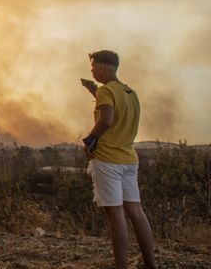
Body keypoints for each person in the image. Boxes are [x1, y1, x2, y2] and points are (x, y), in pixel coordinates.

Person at [81, 50, 156, 269]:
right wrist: (95, 93)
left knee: (115, 214)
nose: (92, 71)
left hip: (107, 160)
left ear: (102, 67)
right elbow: (118, 113)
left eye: (93, 67)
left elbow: (107, 120)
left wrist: (90, 140)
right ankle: (150, 264)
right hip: (128, 159)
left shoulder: (106, 91)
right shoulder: (130, 92)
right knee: (136, 212)